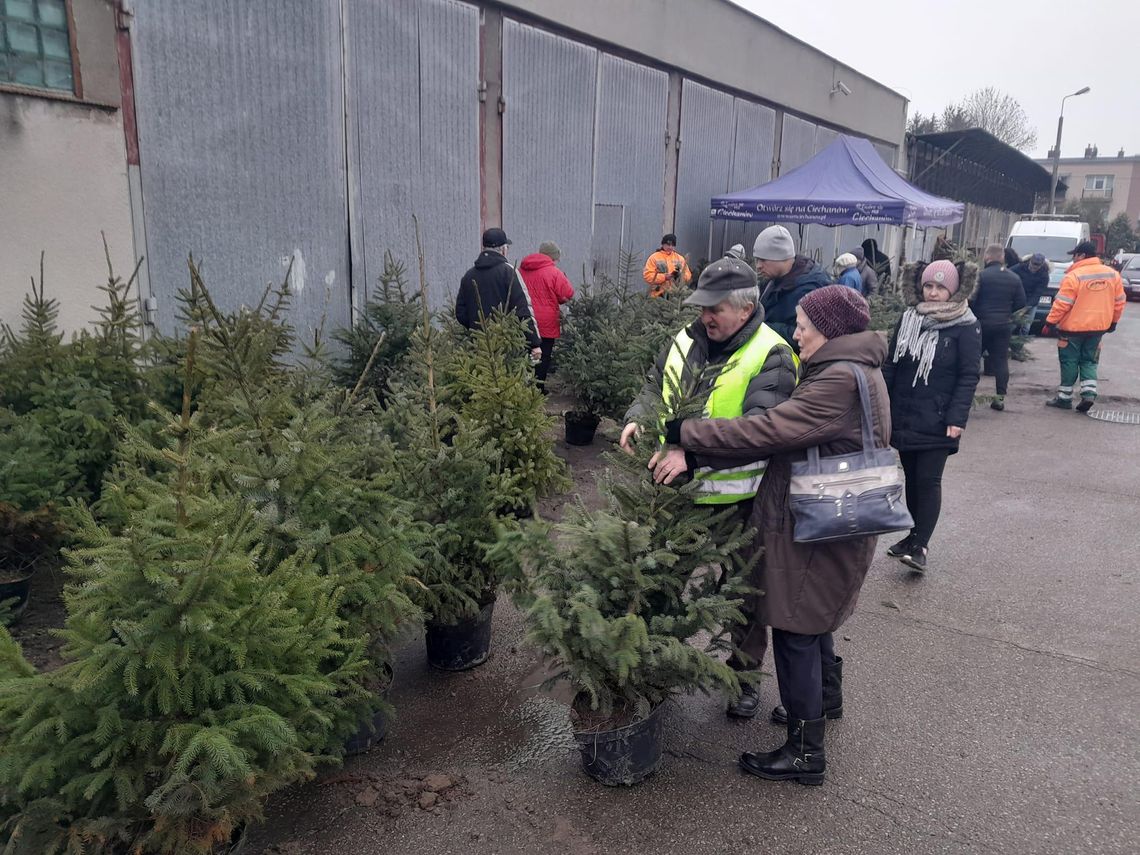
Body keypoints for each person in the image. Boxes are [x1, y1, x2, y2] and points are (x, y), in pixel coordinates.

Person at [652, 285, 888, 786]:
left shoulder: (837, 381)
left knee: (796, 628)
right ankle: (825, 700)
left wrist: (685, 434)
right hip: (835, 518)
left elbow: (768, 431)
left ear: (830, 332)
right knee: (815, 615)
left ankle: (805, 752)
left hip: (818, 523)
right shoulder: (851, 369)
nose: (795, 331)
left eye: (804, 324)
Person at [620, 256, 799, 719]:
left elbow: (762, 430)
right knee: (661, 577)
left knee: (743, 591)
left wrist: (693, 453)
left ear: (744, 309)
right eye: (702, 306)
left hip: (740, 501)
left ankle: (742, 677)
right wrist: (637, 418)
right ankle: (654, 662)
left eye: (715, 309)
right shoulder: (683, 339)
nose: (705, 316)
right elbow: (653, 386)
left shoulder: (772, 353)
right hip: (676, 493)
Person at [882, 260, 981, 573]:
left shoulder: (966, 325)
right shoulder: (909, 318)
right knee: (912, 477)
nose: (934, 293)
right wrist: (882, 404)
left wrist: (957, 417)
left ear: (953, 290)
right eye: (929, 286)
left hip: (939, 418)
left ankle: (921, 545)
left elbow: (968, 375)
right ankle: (912, 536)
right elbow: (892, 364)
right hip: (905, 413)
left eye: (940, 287)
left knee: (929, 480)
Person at [1042, 241, 1126, 412]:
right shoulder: (1112, 275)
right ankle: (1088, 393)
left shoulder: (1074, 276)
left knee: (1069, 361)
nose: (1073, 259)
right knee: (1089, 360)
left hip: (1072, 329)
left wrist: (1050, 322)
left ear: (1081, 256)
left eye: (1074, 255)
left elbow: (1062, 303)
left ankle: (1064, 398)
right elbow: (1119, 302)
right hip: (1098, 328)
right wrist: (1113, 322)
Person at [456, 228, 542, 360]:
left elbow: (461, 313)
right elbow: (523, 308)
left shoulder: (469, 275)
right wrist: (534, 343)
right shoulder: (508, 272)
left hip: (479, 347)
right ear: (502, 249)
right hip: (508, 346)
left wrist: (477, 329)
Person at [753, 225, 831, 350]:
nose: (758, 266)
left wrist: (761, 327)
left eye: (763, 260)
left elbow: (809, 335)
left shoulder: (811, 289)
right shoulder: (772, 281)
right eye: (757, 260)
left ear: (780, 257)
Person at [970, 244, 1025, 412]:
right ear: (1002, 258)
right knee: (1001, 361)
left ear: (987, 257)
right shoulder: (1014, 278)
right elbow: (1021, 303)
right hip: (1003, 325)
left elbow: (971, 300)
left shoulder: (980, 276)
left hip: (981, 324)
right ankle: (999, 399)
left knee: (972, 361)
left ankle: (968, 395)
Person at [517, 241, 575, 391]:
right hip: (546, 323)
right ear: (552, 257)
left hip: (524, 320)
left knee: (524, 355)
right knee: (544, 356)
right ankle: (539, 389)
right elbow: (567, 294)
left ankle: (522, 388)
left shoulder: (520, 270)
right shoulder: (554, 272)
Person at [1009, 253, 1050, 335]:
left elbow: (1037, 294)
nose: (1035, 266)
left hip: (1031, 303)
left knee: (1026, 327)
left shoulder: (1044, 276)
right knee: (1012, 325)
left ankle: (1020, 344)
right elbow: (1008, 273)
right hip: (1017, 300)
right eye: (1033, 263)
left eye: (1038, 265)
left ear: (1042, 265)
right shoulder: (1020, 267)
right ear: (1030, 261)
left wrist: (1026, 308)